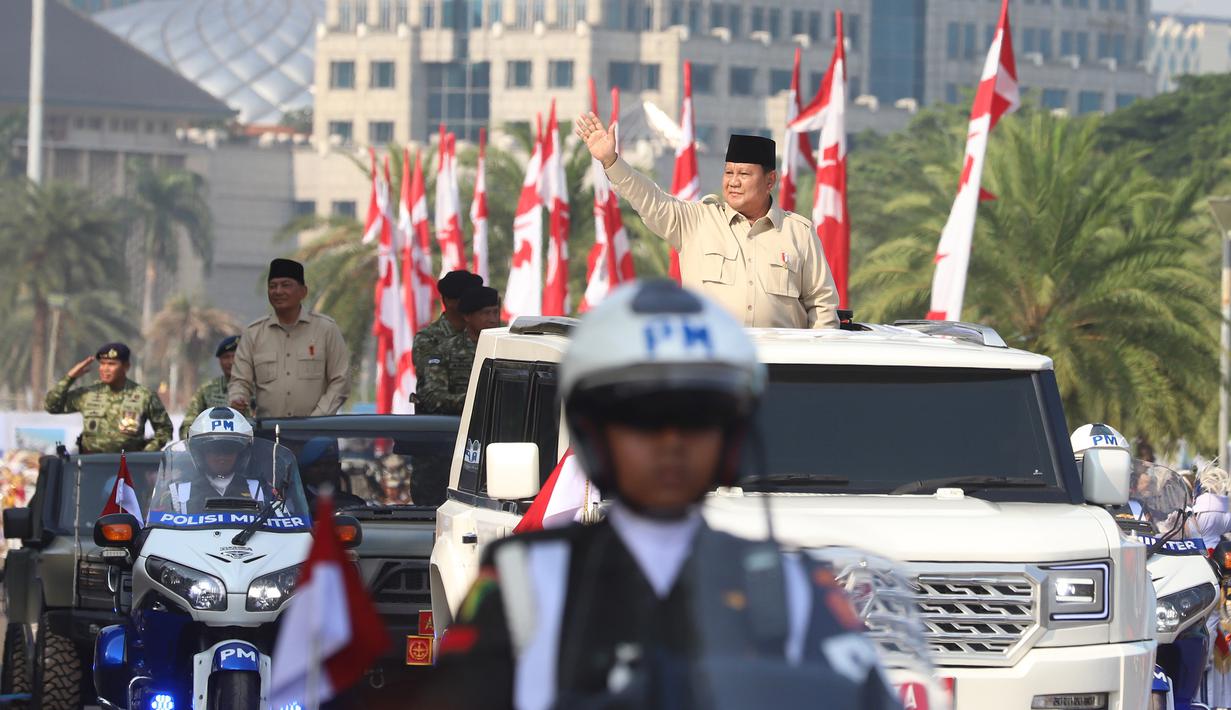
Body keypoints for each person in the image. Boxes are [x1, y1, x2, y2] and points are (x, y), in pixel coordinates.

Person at [426, 280, 896, 709]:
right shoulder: (525, 579)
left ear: (732, 438)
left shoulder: (793, 589)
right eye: (644, 419)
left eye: (696, 417)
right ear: (594, 437)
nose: (672, 442)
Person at [576, 113, 840, 329]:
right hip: (712, 370)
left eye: (744, 174)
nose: (733, 182)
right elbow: (650, 200)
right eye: (729, 172)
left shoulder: (799, 233)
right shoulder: (696, 221)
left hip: (780, 372)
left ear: (770, 181)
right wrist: (611, 161)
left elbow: (822, 308)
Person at [229, 258, 351, 419]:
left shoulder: (326, 329)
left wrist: (317, 420)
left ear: (303, 292)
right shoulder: (254, 334)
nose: (278, 291)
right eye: (273, 286)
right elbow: (240, 380)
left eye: (286, 285)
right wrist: (237, 397)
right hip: (270, 434)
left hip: (318, 434)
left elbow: (341, 380)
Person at [44, 342, 173, 453]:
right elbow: (52, 406)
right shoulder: (88, 394)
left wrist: (146, 453)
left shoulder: (144, 396)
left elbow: (165, 429)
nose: (105, 369)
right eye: (102, 364)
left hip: (129, 467)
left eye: (111, 364)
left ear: (126, 367)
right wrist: (70, 377)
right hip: (91, 465)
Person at [167, 407, 273, 514]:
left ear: (241, 454)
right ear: (200, 453)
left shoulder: (260, 490)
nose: (222, 456)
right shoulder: (177, 493)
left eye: (228, 449)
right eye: (214, 449)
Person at [415, 286, 499, 416]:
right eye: (486, 313)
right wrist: (476, 401)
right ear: (467, 316)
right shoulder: (444, 352)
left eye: (495, 312)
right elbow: (433, 397)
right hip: (455, 427)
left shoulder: (507, 350)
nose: (493, 319)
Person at [413, 270, 484, 378]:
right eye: (469, 297)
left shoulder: (482, 334)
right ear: (449, 301)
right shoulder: (428, 339)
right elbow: (434, 390)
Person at [181, 334, 242, 438]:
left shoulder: (260, 389)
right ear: (220, 361)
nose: (231, 362)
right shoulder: (206, 391)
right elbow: (187, 427)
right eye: (226, 357)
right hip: (213, 450)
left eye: (236, 356)